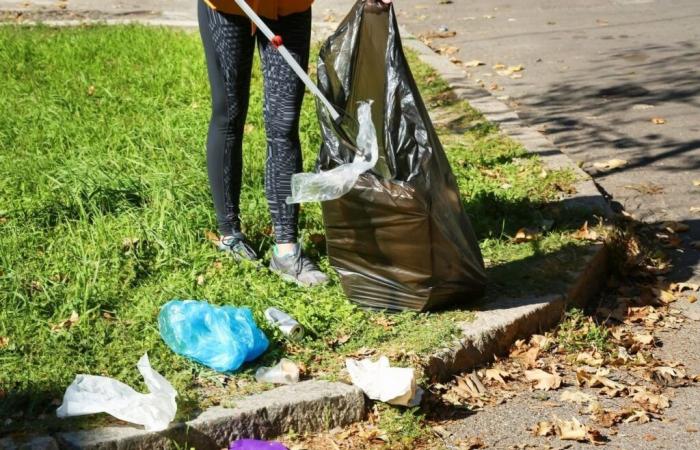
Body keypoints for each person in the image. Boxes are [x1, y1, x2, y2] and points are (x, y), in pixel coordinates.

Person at [198, 0, 391, 287]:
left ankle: (286, 250)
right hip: (227, 8)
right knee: (229, 114)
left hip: (288, 7)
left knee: (284, 123)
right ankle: (229, 234)